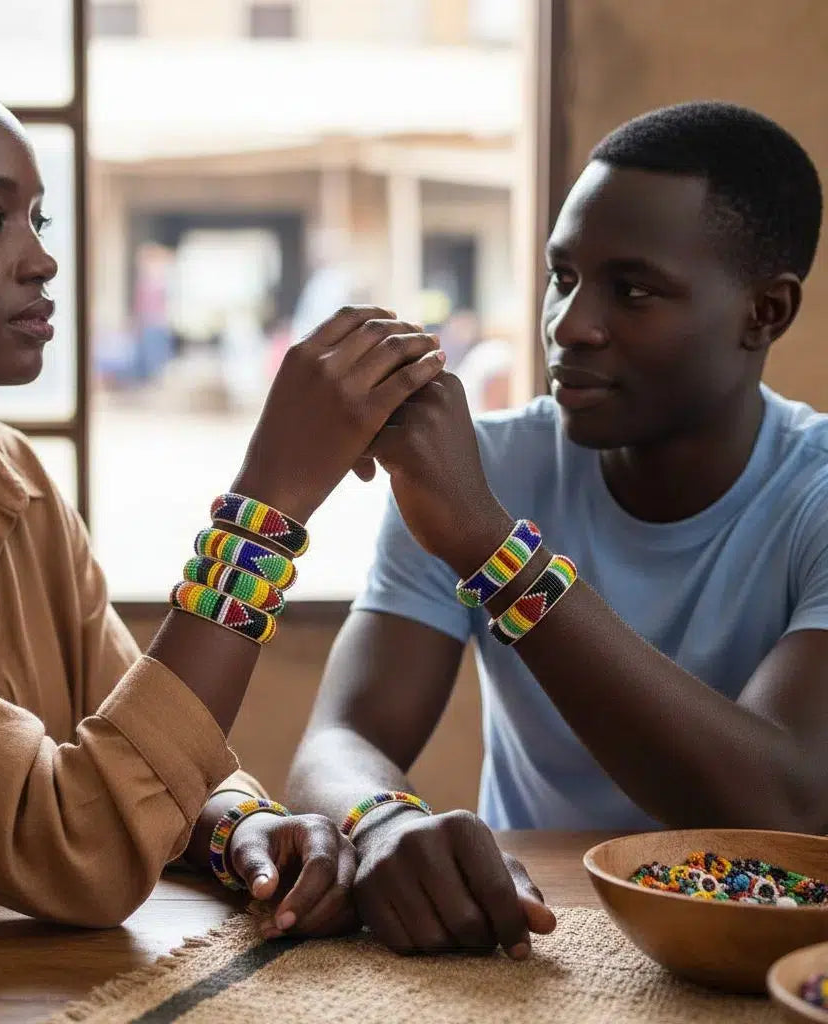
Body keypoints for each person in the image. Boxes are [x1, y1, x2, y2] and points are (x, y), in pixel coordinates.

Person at [0, 50, 446, 933]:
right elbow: (82, 843)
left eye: (38, 219)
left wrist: (237, 827)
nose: (40, 261)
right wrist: (268, 506)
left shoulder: (12, 480)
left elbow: (136, 749)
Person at [287, 101, 827, 959]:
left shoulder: (817, 497)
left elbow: (785, 807)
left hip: (756, 950)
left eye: (634, 290)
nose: (568, 325)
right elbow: (338, 742)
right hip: (537, 938)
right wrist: (382, 819)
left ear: (764, 312)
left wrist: (494, 550)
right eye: (562, 275)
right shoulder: (488, 467)